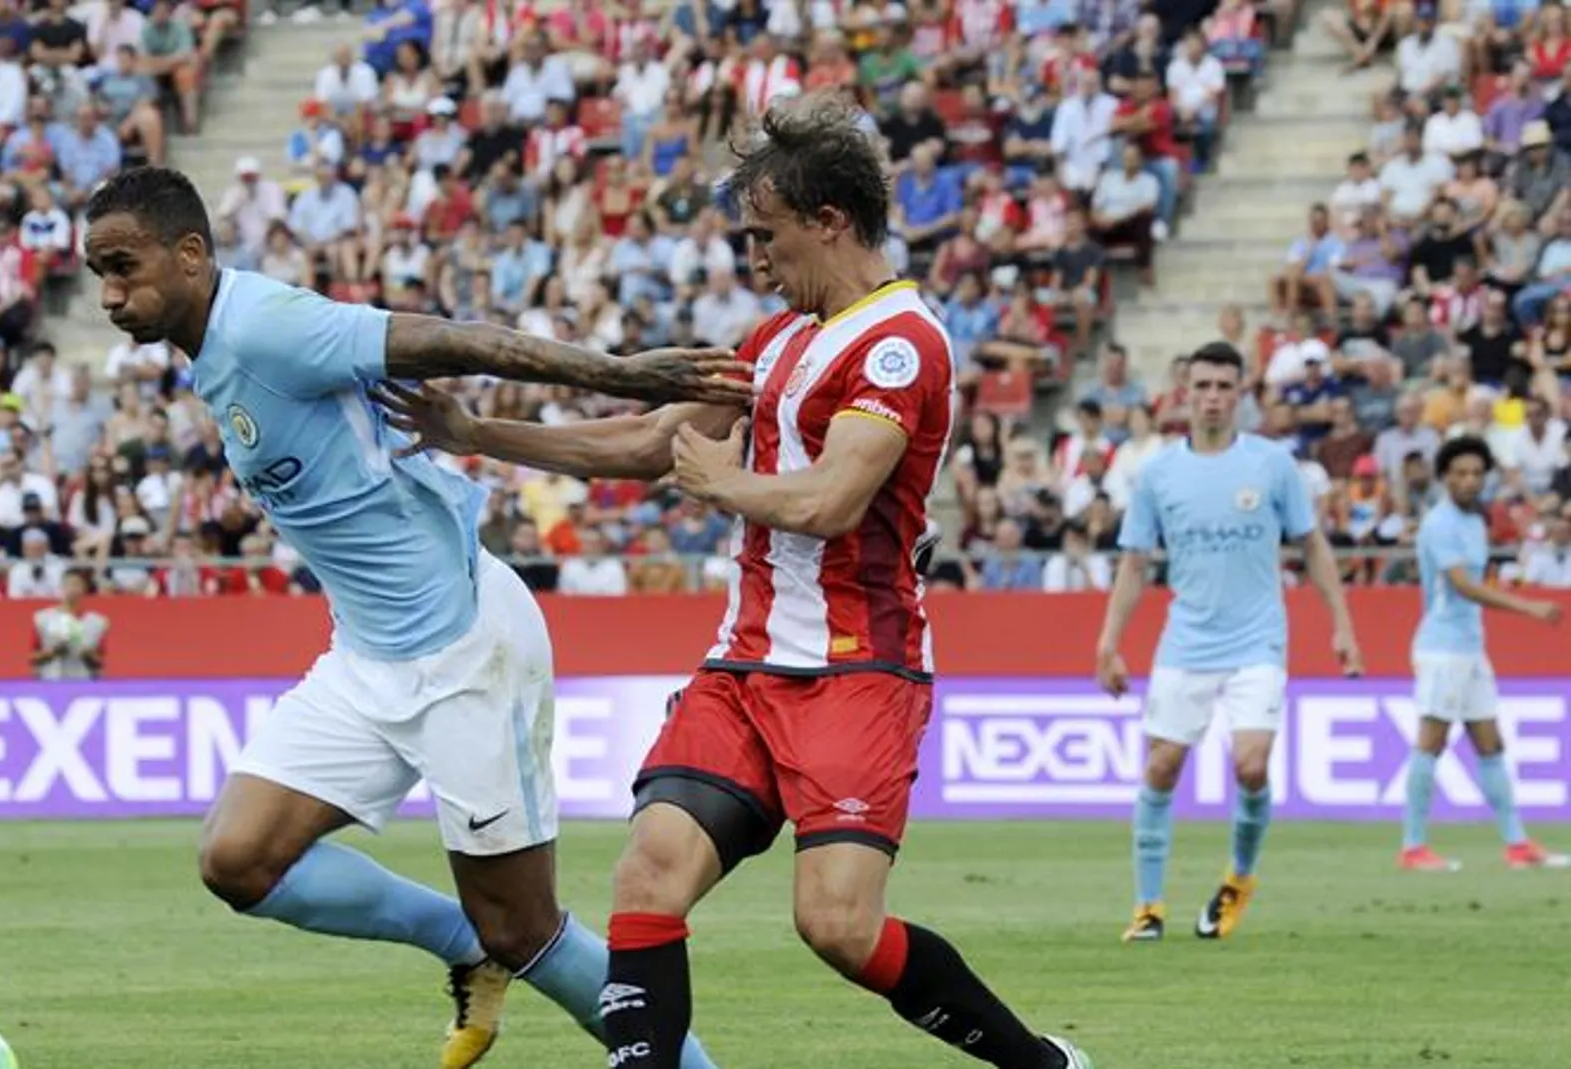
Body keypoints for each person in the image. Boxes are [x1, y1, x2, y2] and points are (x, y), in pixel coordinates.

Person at [376, 94, 1093, 1069]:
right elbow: (644, 443)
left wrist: (724, 484)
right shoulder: (773, 339)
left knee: (837, 925)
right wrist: (478, 434)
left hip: (857, 667)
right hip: (744, 666)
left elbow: (833, 498)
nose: (751, 256)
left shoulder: (899, 343)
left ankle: (1040, 1064)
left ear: (830, 221)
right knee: (648, 874)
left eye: (766, 235)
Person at [80, 166, 742, 1069]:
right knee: (238, 858)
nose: (112, 295)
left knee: (527, 926)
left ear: (191, 254)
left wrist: (617, 375)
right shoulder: (210, 354)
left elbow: (451, 340)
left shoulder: (267, 325)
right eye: (99, 276)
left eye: (125, 267)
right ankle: (461, 942)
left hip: (464, 647)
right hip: (366, 656)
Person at [1095, 342, 1364, 943]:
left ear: (1241, 394)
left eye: (1224, 386)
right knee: (1161, 767)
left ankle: (1238, 880)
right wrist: (1109, 643)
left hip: (1257, 640)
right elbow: (1135, 564)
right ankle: (1148, 908)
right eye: (1203, 386)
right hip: (1186, 642)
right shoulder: (1159, 473)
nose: (1213, 396)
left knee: (1250, 764)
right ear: (1184, 393)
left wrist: (1342, 626)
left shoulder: (1272, 464)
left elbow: (1312, 545)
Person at [1399, 436, 1568, 872]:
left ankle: (1516, 845)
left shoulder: (1475, 522)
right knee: (1431, 743)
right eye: (1461, 473)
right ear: (1444, 478)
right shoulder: (1439, 523)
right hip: (1442, 648)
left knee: (1490, 743)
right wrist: (1526, 606)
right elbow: (1463, 585)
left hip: (1471, 648)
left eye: (1477, 473)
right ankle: (1413, 847)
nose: (1470, 480)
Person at [31, 567, 109, 680]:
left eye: (76, 584)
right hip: (51, 681)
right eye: (68, 584)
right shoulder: (43, 618)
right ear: (61, 587)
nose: (72, 589)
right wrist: (53, 652)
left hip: (81, 683)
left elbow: (100, 662)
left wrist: (85, 654)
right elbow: (32, 657)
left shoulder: (97, 622)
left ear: (84, 588)